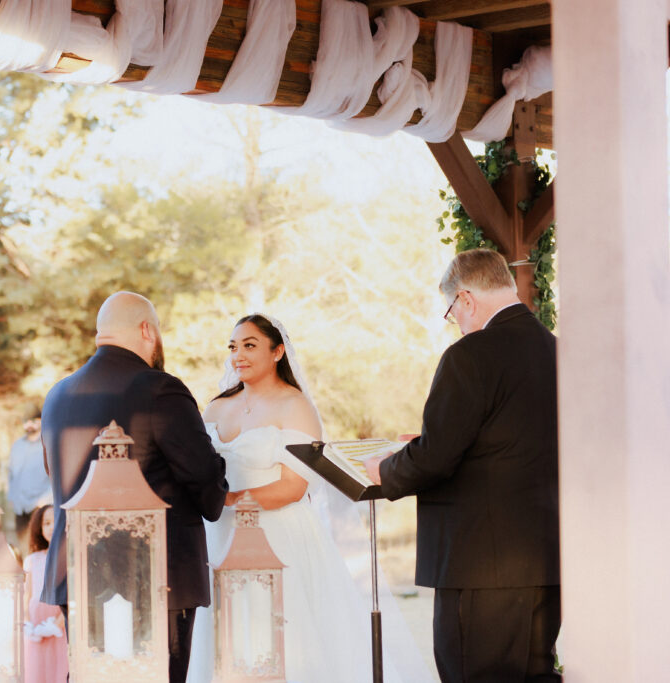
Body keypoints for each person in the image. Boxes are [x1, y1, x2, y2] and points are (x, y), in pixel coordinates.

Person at [187, 314, 429, 683]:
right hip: (221, 537)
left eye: (250, 345)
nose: (238, 355)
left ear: (277, 351)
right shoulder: (217, 407)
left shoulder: (295, 406)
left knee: (285, 640)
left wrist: (231, 499)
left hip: (278, 536)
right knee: (226, 637)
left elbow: (293, 486)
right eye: (233, 347)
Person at [365, 248, 561, 682]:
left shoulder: (469, 355)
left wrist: (386, 469)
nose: (455, 320)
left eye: (452, 310)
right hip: (547, 559)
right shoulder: (557, 352)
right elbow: (516, 438)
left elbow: (436, 458)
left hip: (480, 567)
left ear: (467, 299)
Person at [40, 291, 228, 683]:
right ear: (147, 330)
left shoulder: (56, 396)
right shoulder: (161, 389)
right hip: (155, 580)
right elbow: (206, 482)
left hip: (76, 575)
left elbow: (54, 475)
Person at [22, 505, 67, 683]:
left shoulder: (68, 557)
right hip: (36, 625)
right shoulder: (33, 559)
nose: (51, 527)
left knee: (60, 668)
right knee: (38, 670)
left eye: (55, 522)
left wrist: (57, 625)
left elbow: (72, 597)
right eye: (46, 523)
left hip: (59, 626)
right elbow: (27, 595)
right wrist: (26, 623)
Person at [6, 408, 51, 550]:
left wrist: (46, 499)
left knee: (41, 546)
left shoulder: (48, 444)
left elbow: (55, 475)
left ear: (41, 422)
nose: (29, 425)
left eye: (33, 421)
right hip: (20, 507)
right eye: (26, 421)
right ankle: (28, 571)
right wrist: (12, 497)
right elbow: (12, 473)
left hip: (40, 505)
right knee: (24, 545)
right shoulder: (17, 445)